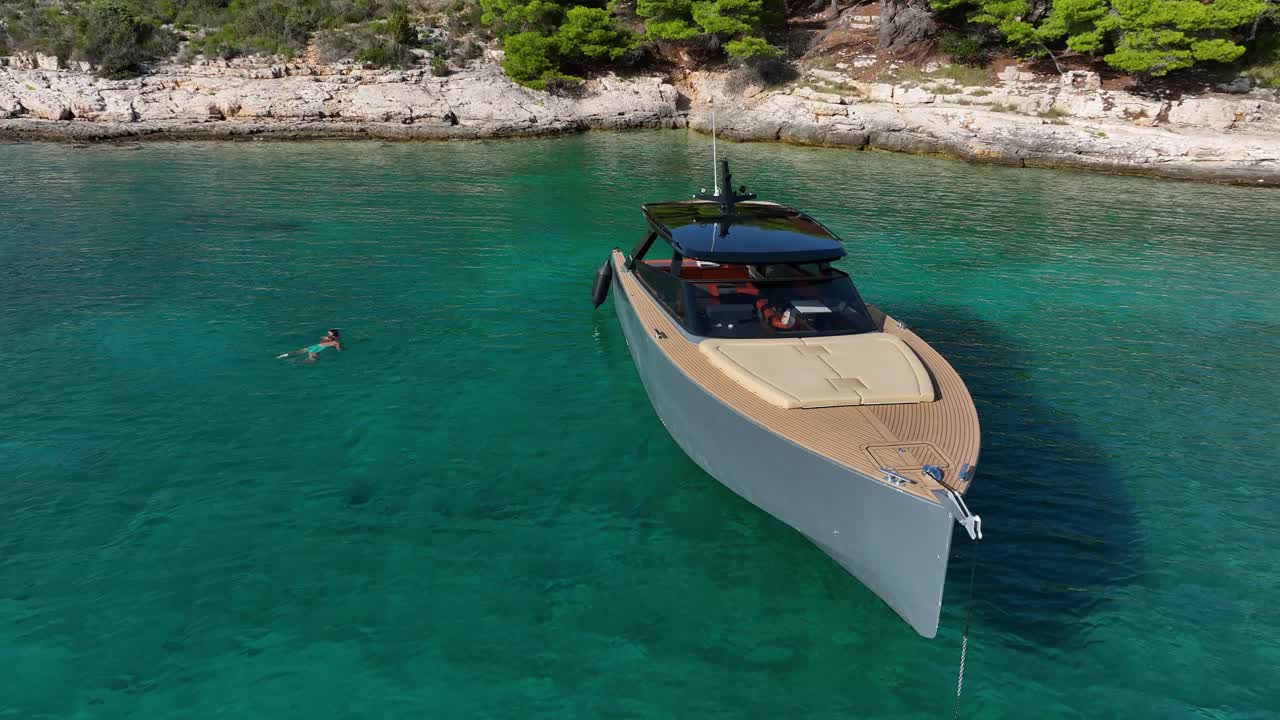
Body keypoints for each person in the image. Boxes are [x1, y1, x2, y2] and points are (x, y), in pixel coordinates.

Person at [277, 329, 343, 362]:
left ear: (333, 335)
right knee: (304, 354)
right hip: (316, 347)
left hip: (317, 347)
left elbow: (338, 349)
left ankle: (287, 358)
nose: (328, 334)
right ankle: (288, 358)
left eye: (329, 333)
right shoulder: (331, 340)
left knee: (307, 356)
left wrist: (339, 349)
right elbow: (338, 350)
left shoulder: (334, 341)